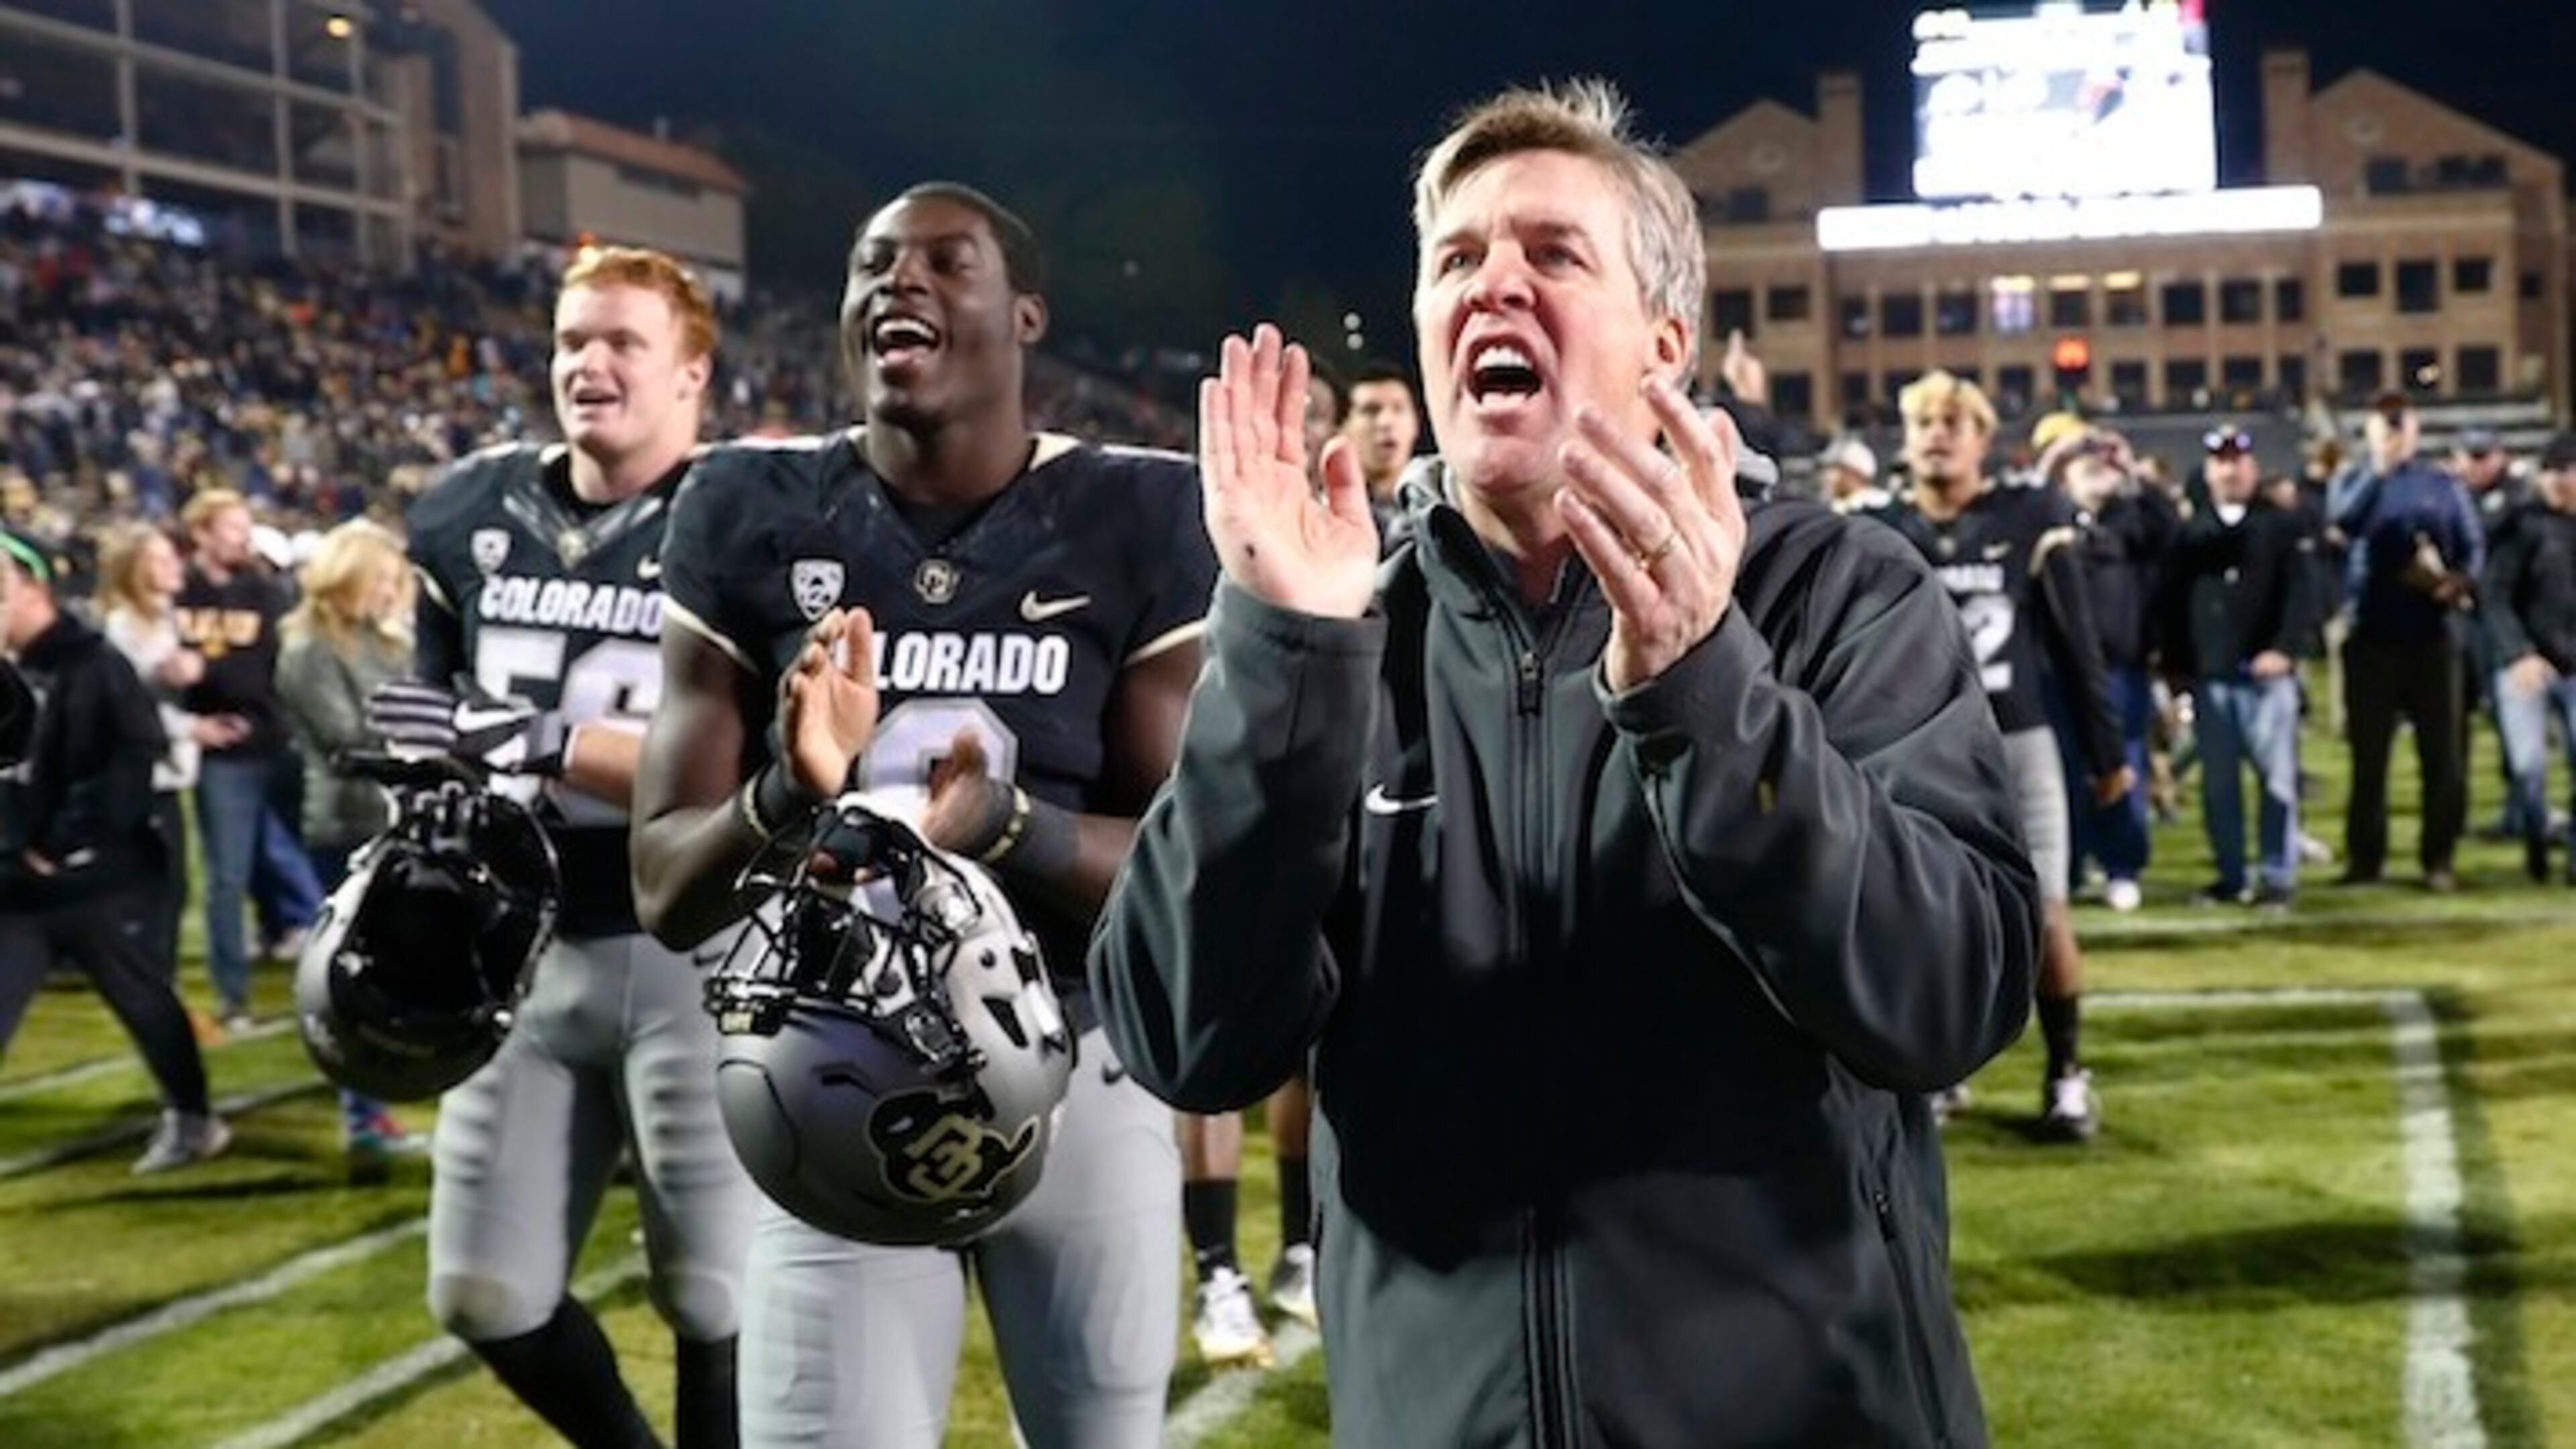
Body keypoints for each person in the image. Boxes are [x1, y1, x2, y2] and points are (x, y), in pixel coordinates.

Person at [1089, 82, 2036, 1447]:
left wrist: (1709, 691)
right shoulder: (1347, 628)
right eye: (1456, 259)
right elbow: (1188, 1037)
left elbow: (1948, 996)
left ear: (1667, 340)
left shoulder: (1835, 592)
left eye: (1553, 252)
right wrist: (1288, 661)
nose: (1494, 288)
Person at [632, 182, 1215, 1448]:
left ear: (1025, 316)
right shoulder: (745, 507)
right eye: (872, 263)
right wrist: (791, 791)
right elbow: (667, 890)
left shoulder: (1140, 512)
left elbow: (1188, 875)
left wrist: (1009, 828)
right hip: (822, 1078)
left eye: (946, 262)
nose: (899, 281)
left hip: (1077, 1064)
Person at [382, 246, 757, 1448]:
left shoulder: (749, 518)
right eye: (569, 342)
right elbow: (431, 720)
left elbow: (751, 770)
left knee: (716, 1295)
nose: (587, 365)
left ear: (693, 372)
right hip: (522, 945)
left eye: (622, 343)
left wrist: (522, 734)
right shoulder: (470, 509)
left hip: (692, 942)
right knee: (483, 1291)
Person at [1873, 370, 2128, 1140]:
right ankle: (1936, 1073)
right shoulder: (1879, 527)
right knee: (1918, 916)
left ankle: (2067, 1076)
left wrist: (2105, 749)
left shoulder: (2029, 515)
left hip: (2016, 741)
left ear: (1983, 438)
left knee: (2045, 913)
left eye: (1954, 421)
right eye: (1924, 422)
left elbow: (2074, 643)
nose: (1938, 435)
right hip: (1913, 746)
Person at [0, 530, 231, 1174]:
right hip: (19, 883)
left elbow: (133, 758)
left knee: (146, 1003)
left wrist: (65, 840)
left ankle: (193, 1118)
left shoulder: (94, 662)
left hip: (102, 877)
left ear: (32, 587)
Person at [272, 519, 428, 1177]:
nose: (392, 593)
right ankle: (362, 1122)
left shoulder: (381, 642)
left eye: (397, 583)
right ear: (348, 576)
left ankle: (375, 1109)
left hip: (391, 819)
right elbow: (345, 740)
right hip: (342, 824)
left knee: (397, 974)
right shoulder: (307, 647)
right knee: (353, 979)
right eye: (382, 580)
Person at [174, 487, 323, 1027]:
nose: (242, 536)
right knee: (227, 877)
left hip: (277, 745)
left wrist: (209, 677)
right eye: (232, 527)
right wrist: (196, 719)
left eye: (244, 525)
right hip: (223, 754)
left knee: (297, 858)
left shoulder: (264, 590)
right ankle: (232, 997)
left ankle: (322, 961)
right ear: (202, 535)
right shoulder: (180, 592)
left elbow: (278, 667)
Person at [2328, 390, 2483, 890]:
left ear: (2415, 429)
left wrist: (2453, 582)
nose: (2394, 434)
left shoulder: (2440, 484)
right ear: (2370, 431)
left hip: (2432, 635)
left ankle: (2439, 858)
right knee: (2369, 758)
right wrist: (2378, 470)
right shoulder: (2353, 480)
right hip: (2372, 633)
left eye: (2401, 424)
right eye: (2384, 425)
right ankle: (2365, 858)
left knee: (2444, 757)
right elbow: (2344, 522)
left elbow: (2472, 545)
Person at [2165, 427, 2322, 908]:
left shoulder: (2281, 525)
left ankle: (2278, 876)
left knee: (2277, 781)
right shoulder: (2190, 532)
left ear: (2253, 467)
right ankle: (2231, 875)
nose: (2230, 469)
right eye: (2221, 461)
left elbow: (2303, 594)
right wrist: (2177, 670)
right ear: (2209, 469)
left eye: (2238, 460)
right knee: (2219, 788)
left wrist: (2286, 650)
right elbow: (2172, 604)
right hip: (2213, 678)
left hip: (2266, 675)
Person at [96, 523, 241, 1018]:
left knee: (171, 889)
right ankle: (151, 997)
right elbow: (122, 709)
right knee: (154, 893)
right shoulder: (122, 630)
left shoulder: (166, 620)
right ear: (135, 571)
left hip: (168, 774)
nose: (173, 567)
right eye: (160, 560)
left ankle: (157, 992)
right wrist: (190, 728)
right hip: (137, 777)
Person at [2482, 431, 2576, 883]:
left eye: (2568, 471)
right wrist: (2519, 654)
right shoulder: (2519, 526)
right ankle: (2537, 834)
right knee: (2528, 766)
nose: (2561, 481)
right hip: (2526, 665)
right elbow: (2495, 596)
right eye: (2555, 471)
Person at [1342, 358, 1421, 534]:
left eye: (1398, 409)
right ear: (1344, 427)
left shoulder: (1444, 509)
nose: (1386, 422)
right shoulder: (1326, 512)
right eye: (1371, 410)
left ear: (1416, 424)